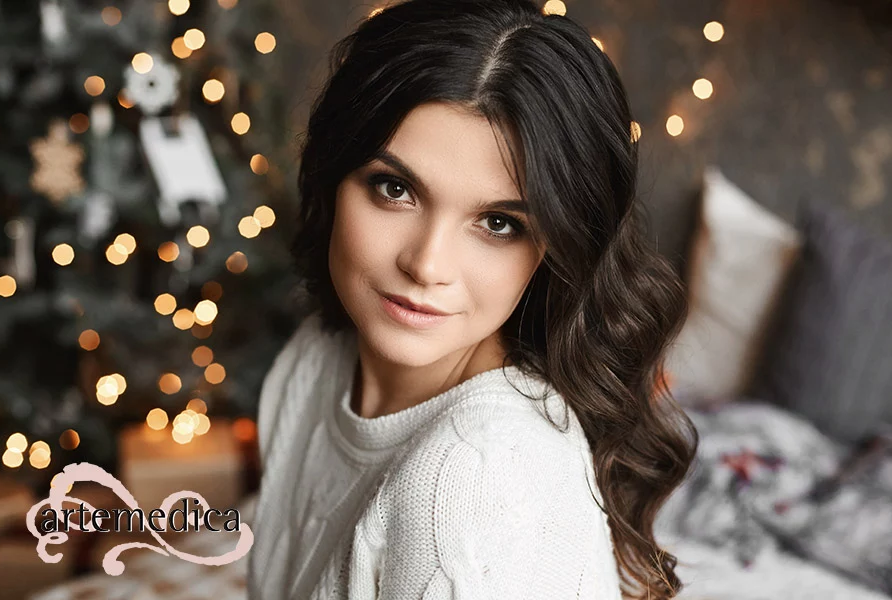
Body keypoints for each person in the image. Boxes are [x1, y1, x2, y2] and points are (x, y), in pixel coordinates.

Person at [247, 0, 698, 598]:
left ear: (555, 249)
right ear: (333, 178)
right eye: (394, 188)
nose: (426, 265)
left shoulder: (477, 476)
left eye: (498, 224)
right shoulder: (315, 358)